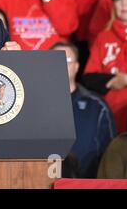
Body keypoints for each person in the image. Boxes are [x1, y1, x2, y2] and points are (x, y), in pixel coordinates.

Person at [51, 41, 117, 178]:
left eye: (67, 60)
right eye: (54, 59)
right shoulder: (33, 105)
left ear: (76, 67)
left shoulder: (98, 107)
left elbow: (112, 154)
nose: (60, 64)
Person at [83, 0, 127, 133]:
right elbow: (89, 78)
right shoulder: (103, 37)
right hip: (110, 112)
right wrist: (115, 80)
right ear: (113, 6)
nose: (124, 3)